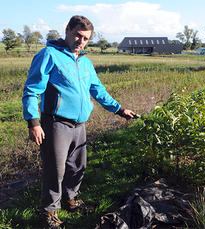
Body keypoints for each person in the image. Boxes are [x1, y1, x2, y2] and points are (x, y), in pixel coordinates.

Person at [22, 15, 135, 228]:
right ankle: (50, 212)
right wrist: (33, 122)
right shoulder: (49, 55)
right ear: (67, 30)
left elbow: (98, 90)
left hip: (80, 125)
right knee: (55, 171)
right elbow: (32, 89)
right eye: (77, 35)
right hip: (56, 124)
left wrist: (119, 109)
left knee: (77, 167)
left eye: (85, 39)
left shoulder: (85, 62)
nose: (80, 41)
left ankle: (70, 200)